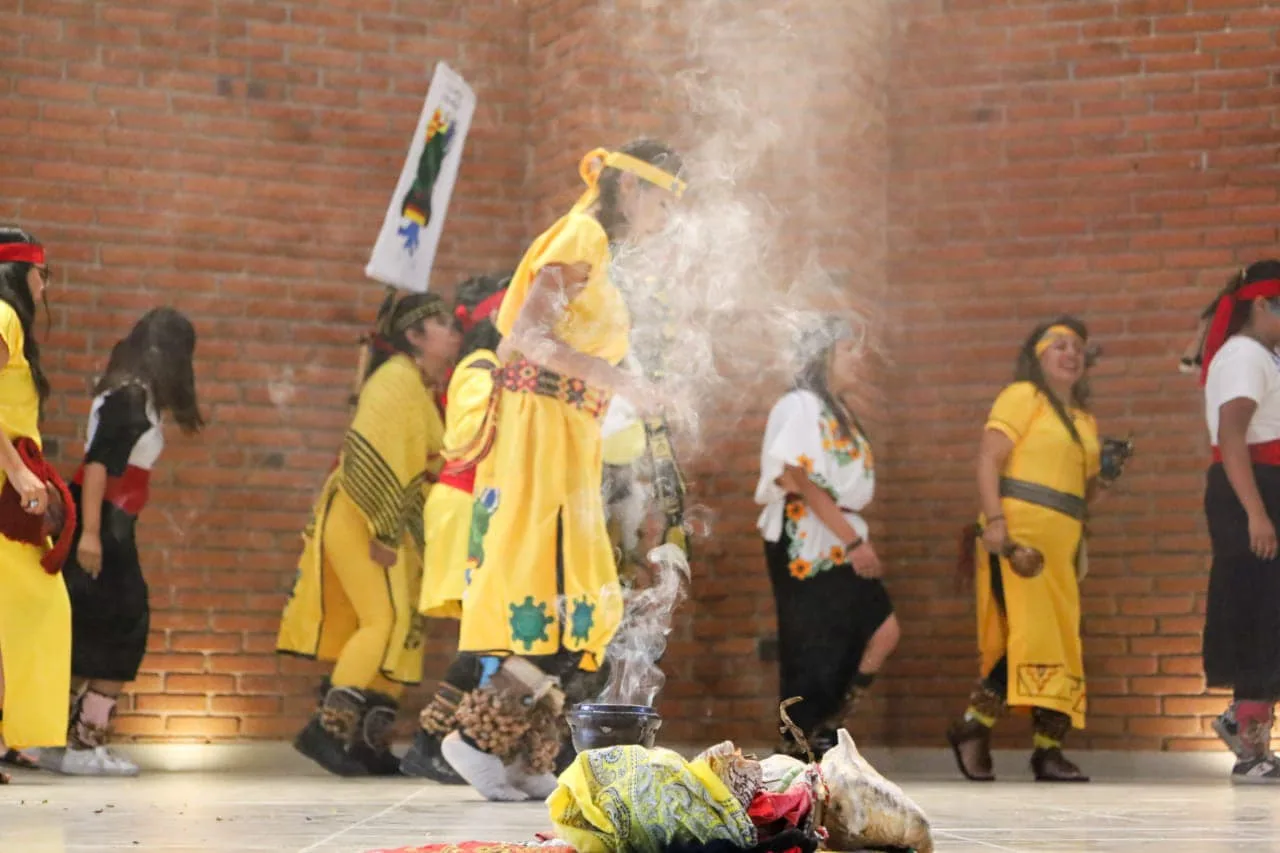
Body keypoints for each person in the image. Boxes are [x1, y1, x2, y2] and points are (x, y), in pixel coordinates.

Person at [440, 139, 685, 801]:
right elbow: (525, 335)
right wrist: (624, 381)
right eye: (663, 201)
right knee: (542, 583)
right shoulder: (580, 233)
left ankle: (523, 753)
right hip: (539, 432)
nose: (665, 217)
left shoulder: (600, 253)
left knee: (580, 599)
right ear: (630, 190)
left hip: (570, 433)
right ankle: (472, 738)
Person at [277, 291, 459, 777]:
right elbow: (370, 457)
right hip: (363, 513)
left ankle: (366, 741)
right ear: (415, 337)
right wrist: (382, 528)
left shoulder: (415, 385)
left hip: (389, 520)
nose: (454, 331)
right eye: (442, 323)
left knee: (399, 627)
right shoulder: (395, 380)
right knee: (382, 619)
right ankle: (325, 730)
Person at [947, 317, 1123, 784]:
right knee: (1029, 639)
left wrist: (1104, 476)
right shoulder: (1022, 397)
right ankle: (975, 726)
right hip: (1019, 541)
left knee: (1062, 644)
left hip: (1062, 547)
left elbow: (1082, 499)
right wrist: (997, 523)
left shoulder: (1085, 421)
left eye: (1077, 348)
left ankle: (1046, 750)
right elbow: (988, 458)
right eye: (1059, 345)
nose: (1071, 353)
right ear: (1038, 356)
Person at [37, 308, 203, 778]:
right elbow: (96, 466)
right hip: (104, 523)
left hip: (110, 522)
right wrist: (90, 534)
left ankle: (59, 741)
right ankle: (81, 744)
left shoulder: (132, 392)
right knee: (126, 627)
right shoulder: (131, 397)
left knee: (91, 632)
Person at [755, 316, 899, 760]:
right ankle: (803, 737)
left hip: (838, 529)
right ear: (823, 356)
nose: (859, 358)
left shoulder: (838, 410)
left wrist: (852, 537)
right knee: (816, 639)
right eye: (849, 349)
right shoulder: (800, 404)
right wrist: (852, 543)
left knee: (878, 630)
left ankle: (830, 724)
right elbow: (797, 474)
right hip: (808, 535)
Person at [401, 272, 510, 784]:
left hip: (476, 505)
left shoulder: (487, 367)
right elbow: (470, 439)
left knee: (486, 634)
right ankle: (432, 742)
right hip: (467, 504)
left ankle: (447, 741)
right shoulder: (480, 367)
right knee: (482, 633)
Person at [1198, 260, 1280, 784]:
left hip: (1266, 487)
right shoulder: (1244, 355)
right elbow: (1232, 436)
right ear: (1262, 305)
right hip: (1253, 490)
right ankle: (1251, 747)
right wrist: (1256, 512)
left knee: (1271, 610)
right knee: (1257, 611)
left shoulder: (1265, 356)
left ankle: (1246, 727)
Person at [0, 226, 76, 785]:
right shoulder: (3, 313)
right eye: (42, 273)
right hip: (6, 484)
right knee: (39, 608)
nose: (45, 284)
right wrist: (18, 468)